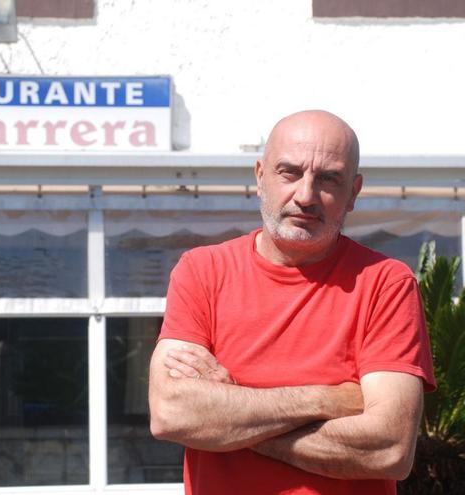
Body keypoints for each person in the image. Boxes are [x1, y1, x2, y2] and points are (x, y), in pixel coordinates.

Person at [148, 110, 436, 495]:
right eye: (289, 172)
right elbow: (171, 413)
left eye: (329, 178)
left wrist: (230, 417)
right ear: (260, 177)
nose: (306, 195)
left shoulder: (386, 283)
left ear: (354, 192)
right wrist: (328, 399)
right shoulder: (202, 271)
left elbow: (390, 449)